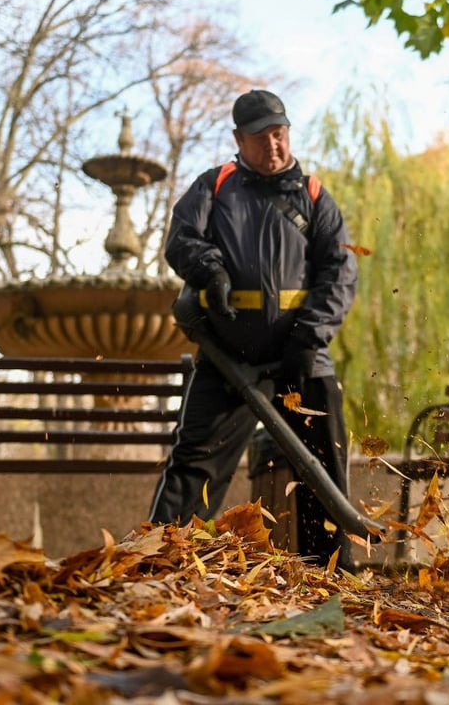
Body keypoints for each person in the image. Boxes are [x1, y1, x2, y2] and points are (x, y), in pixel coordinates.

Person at [148, 89, 358, 565]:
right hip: (229, 356)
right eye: (261, 137)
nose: (273, 146)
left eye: (279, 134)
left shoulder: (314, 196)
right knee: (194, 463)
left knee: (322, 464)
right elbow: (181, 241)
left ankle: (329, 574)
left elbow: (340, 272)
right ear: (238, 139)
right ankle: (159, 559)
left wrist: (311, 335)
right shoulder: (214, 186)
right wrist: (211, 270)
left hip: (301, 353)